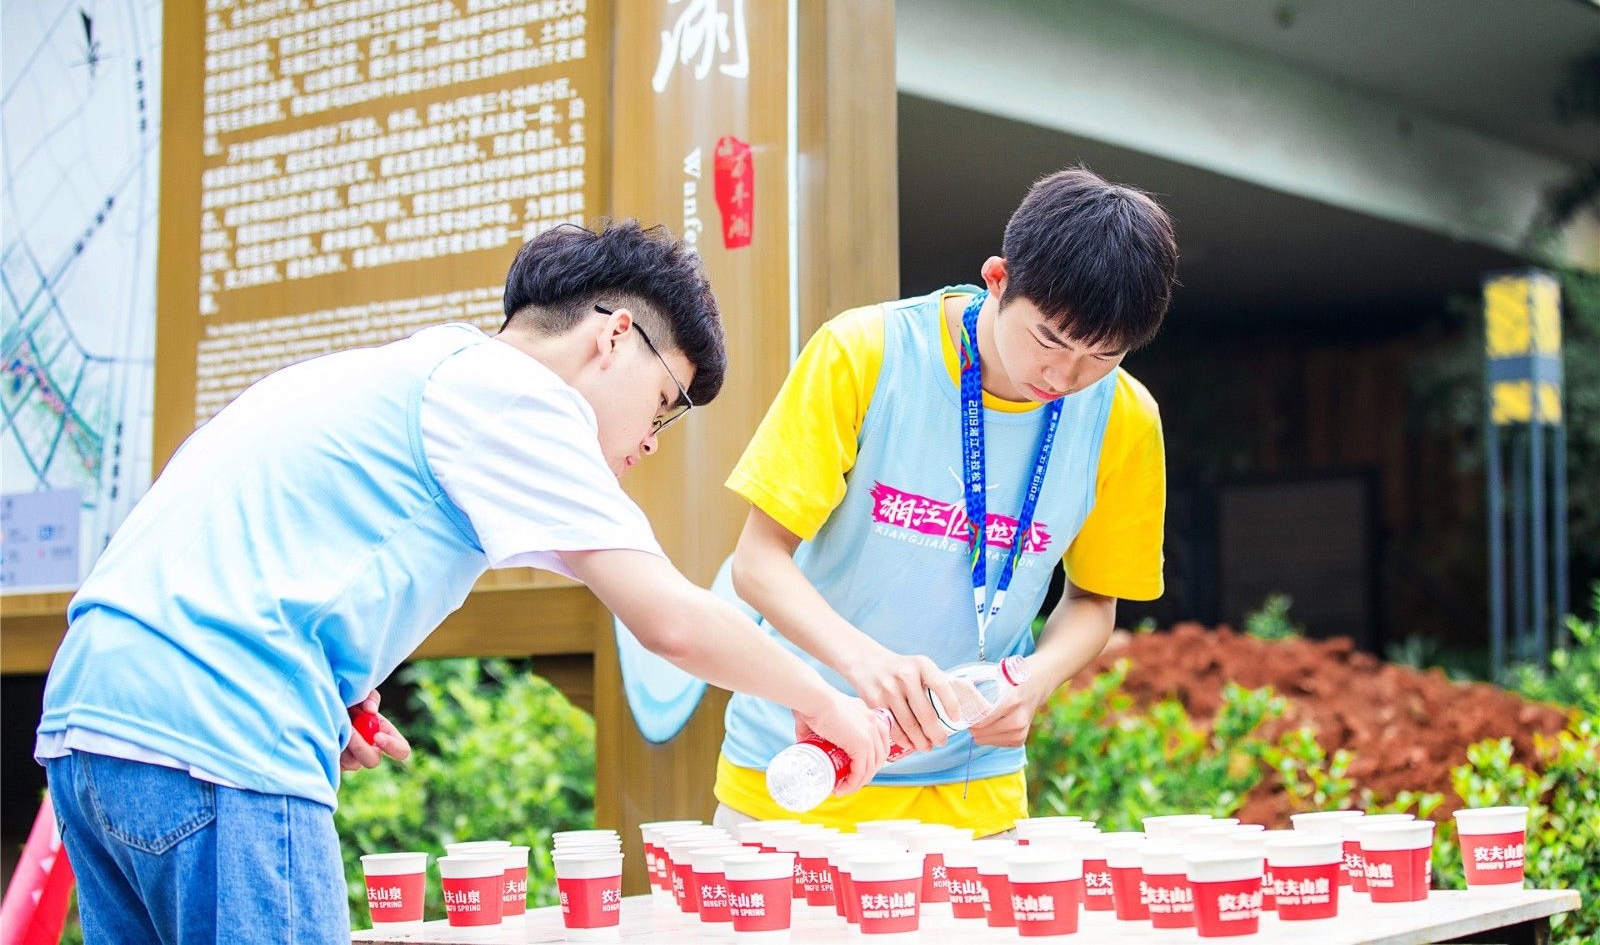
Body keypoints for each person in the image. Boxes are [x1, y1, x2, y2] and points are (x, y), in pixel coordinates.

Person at [35, 220, 888, 944]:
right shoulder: (515, 399)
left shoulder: (409, 374)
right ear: (615, 336)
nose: (653, 439)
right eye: (666, 403)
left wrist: (328, 691)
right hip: (221, 739)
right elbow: (670, 620)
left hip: (92, 734)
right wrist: (822, 701)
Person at [713, 167, 1177, 837]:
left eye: (1100, 355)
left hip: (971, 788)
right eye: (1048, 337)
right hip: (802, 764)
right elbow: (757, 564)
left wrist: (1037, 679)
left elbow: (1094, 601)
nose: (1063, 375)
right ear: (997, 278)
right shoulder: (865, 353)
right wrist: (868, 667)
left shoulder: (1126, 419)